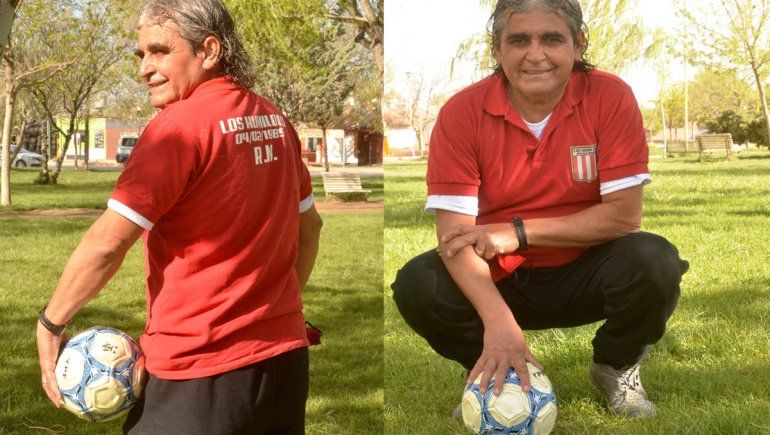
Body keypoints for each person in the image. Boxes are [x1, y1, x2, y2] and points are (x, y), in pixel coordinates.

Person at [35, 0, 323, 433]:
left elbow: (108, 243)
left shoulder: (178, 127)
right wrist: (270, 313)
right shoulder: (273, 119)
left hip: (201, 369)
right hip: (284, 361)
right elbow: (311, 225)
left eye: (159, 51)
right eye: (141, 55)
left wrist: (50, 322)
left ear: (208, 51)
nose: (144, 69)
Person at [391, 0, 688, 419]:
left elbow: (624, 216)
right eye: (518, 40)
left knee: (655, 260)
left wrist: (518, 231)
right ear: (496, 49)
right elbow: (454, 239)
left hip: (586, 267)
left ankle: (615, 368)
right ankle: (493, 374)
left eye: (551, 38)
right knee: (419, 283)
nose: (535, 54)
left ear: (578, 44)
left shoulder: (610, 96)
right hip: (501, 276)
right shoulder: (461, 112)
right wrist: (498, 322)